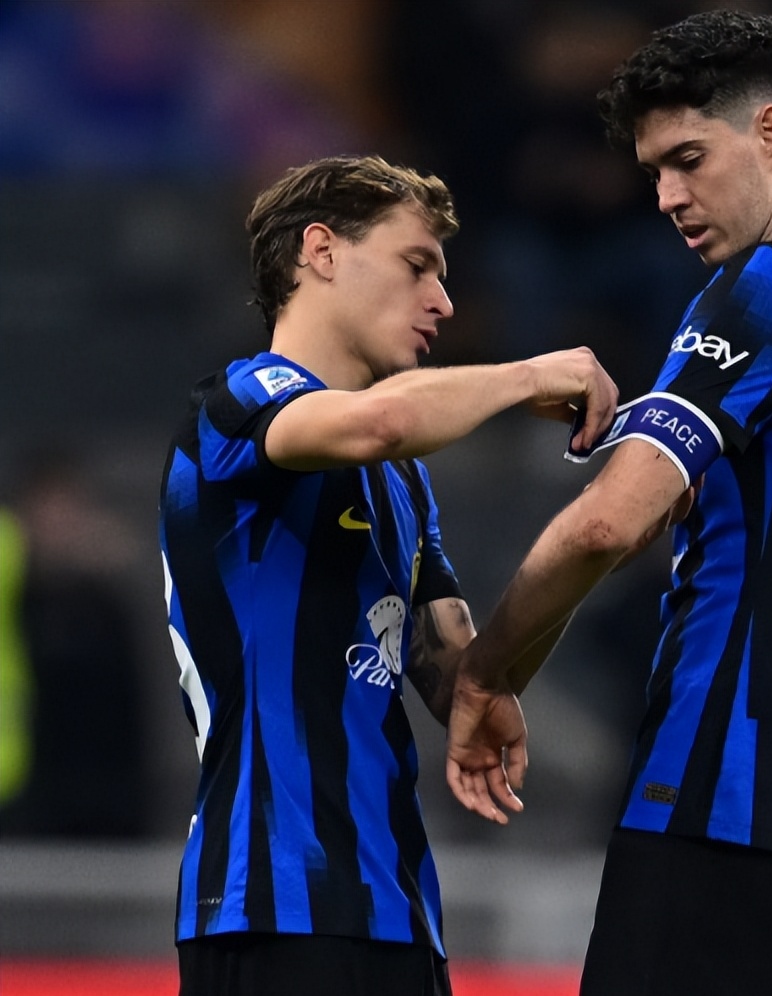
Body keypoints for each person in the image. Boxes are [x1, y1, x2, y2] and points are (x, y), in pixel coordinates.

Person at [445, 10, 772, 995]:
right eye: (653, 173)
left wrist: (487, 670)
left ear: (771, 131)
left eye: (688, 159)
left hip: (726, 806)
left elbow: (609, 521)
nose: (669, 198)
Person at [158, 155, 617, 996]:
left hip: (396, 908)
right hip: (270, 904)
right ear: (321, 251)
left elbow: (465, 677)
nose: (444, 300)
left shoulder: (402, 480)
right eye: (417, 265)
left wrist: (607, 531)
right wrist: (526, 377)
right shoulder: (235, 405)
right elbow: (379, 423)